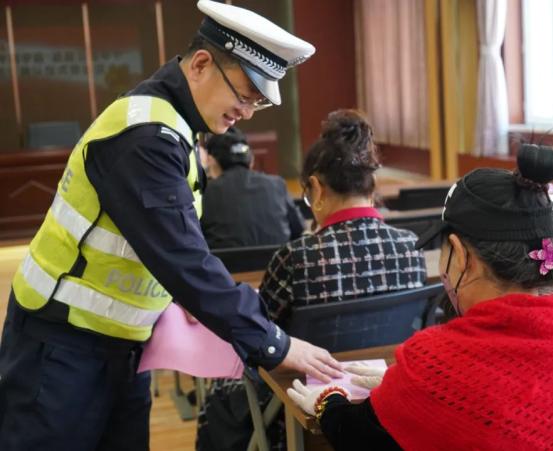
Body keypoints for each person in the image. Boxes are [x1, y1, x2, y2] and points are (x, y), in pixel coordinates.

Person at [0, 2, 342, 450]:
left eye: (257, 102)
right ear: (200, 65)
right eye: (244, 95)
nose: (247, 113)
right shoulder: (144, 137)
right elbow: (183, 257)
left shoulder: (177, 125)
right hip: (62, 343)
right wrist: (273, 343)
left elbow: (160, 241)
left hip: (124, 343)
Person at [286, 144, 553, 450]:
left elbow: (358, 436)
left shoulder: (435, 362)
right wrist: (401, 388)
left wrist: (329, 401)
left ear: (461, 255)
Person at [258, 110, 427, 327]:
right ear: (372, 185)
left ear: (316, 188)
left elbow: (260, 329)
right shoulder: (411, 246)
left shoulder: (294, 258)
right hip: (395, 351)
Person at [200, 128, 304, 248]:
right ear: (251, 160)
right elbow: (298, 230)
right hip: (275, 260)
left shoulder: (205, 192)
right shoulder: (277, 185)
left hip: (223, 260)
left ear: (211, 161)